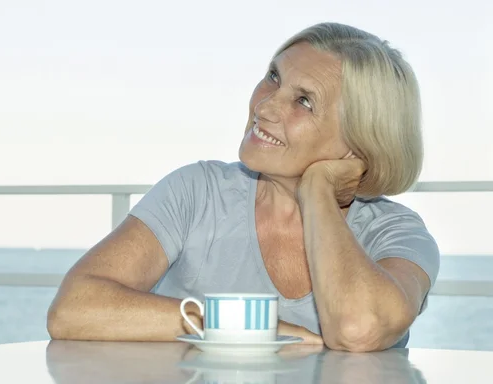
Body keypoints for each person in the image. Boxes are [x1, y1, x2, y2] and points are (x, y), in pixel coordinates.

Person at [47, 22, 440, 352]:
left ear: (359, 140)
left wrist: (317, 189)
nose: (265, 106)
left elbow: (359, 330)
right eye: (273, 77)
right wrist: (249, 332)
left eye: (303, 101)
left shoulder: (396, 233)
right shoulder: (197, 191)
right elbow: (72, 308)